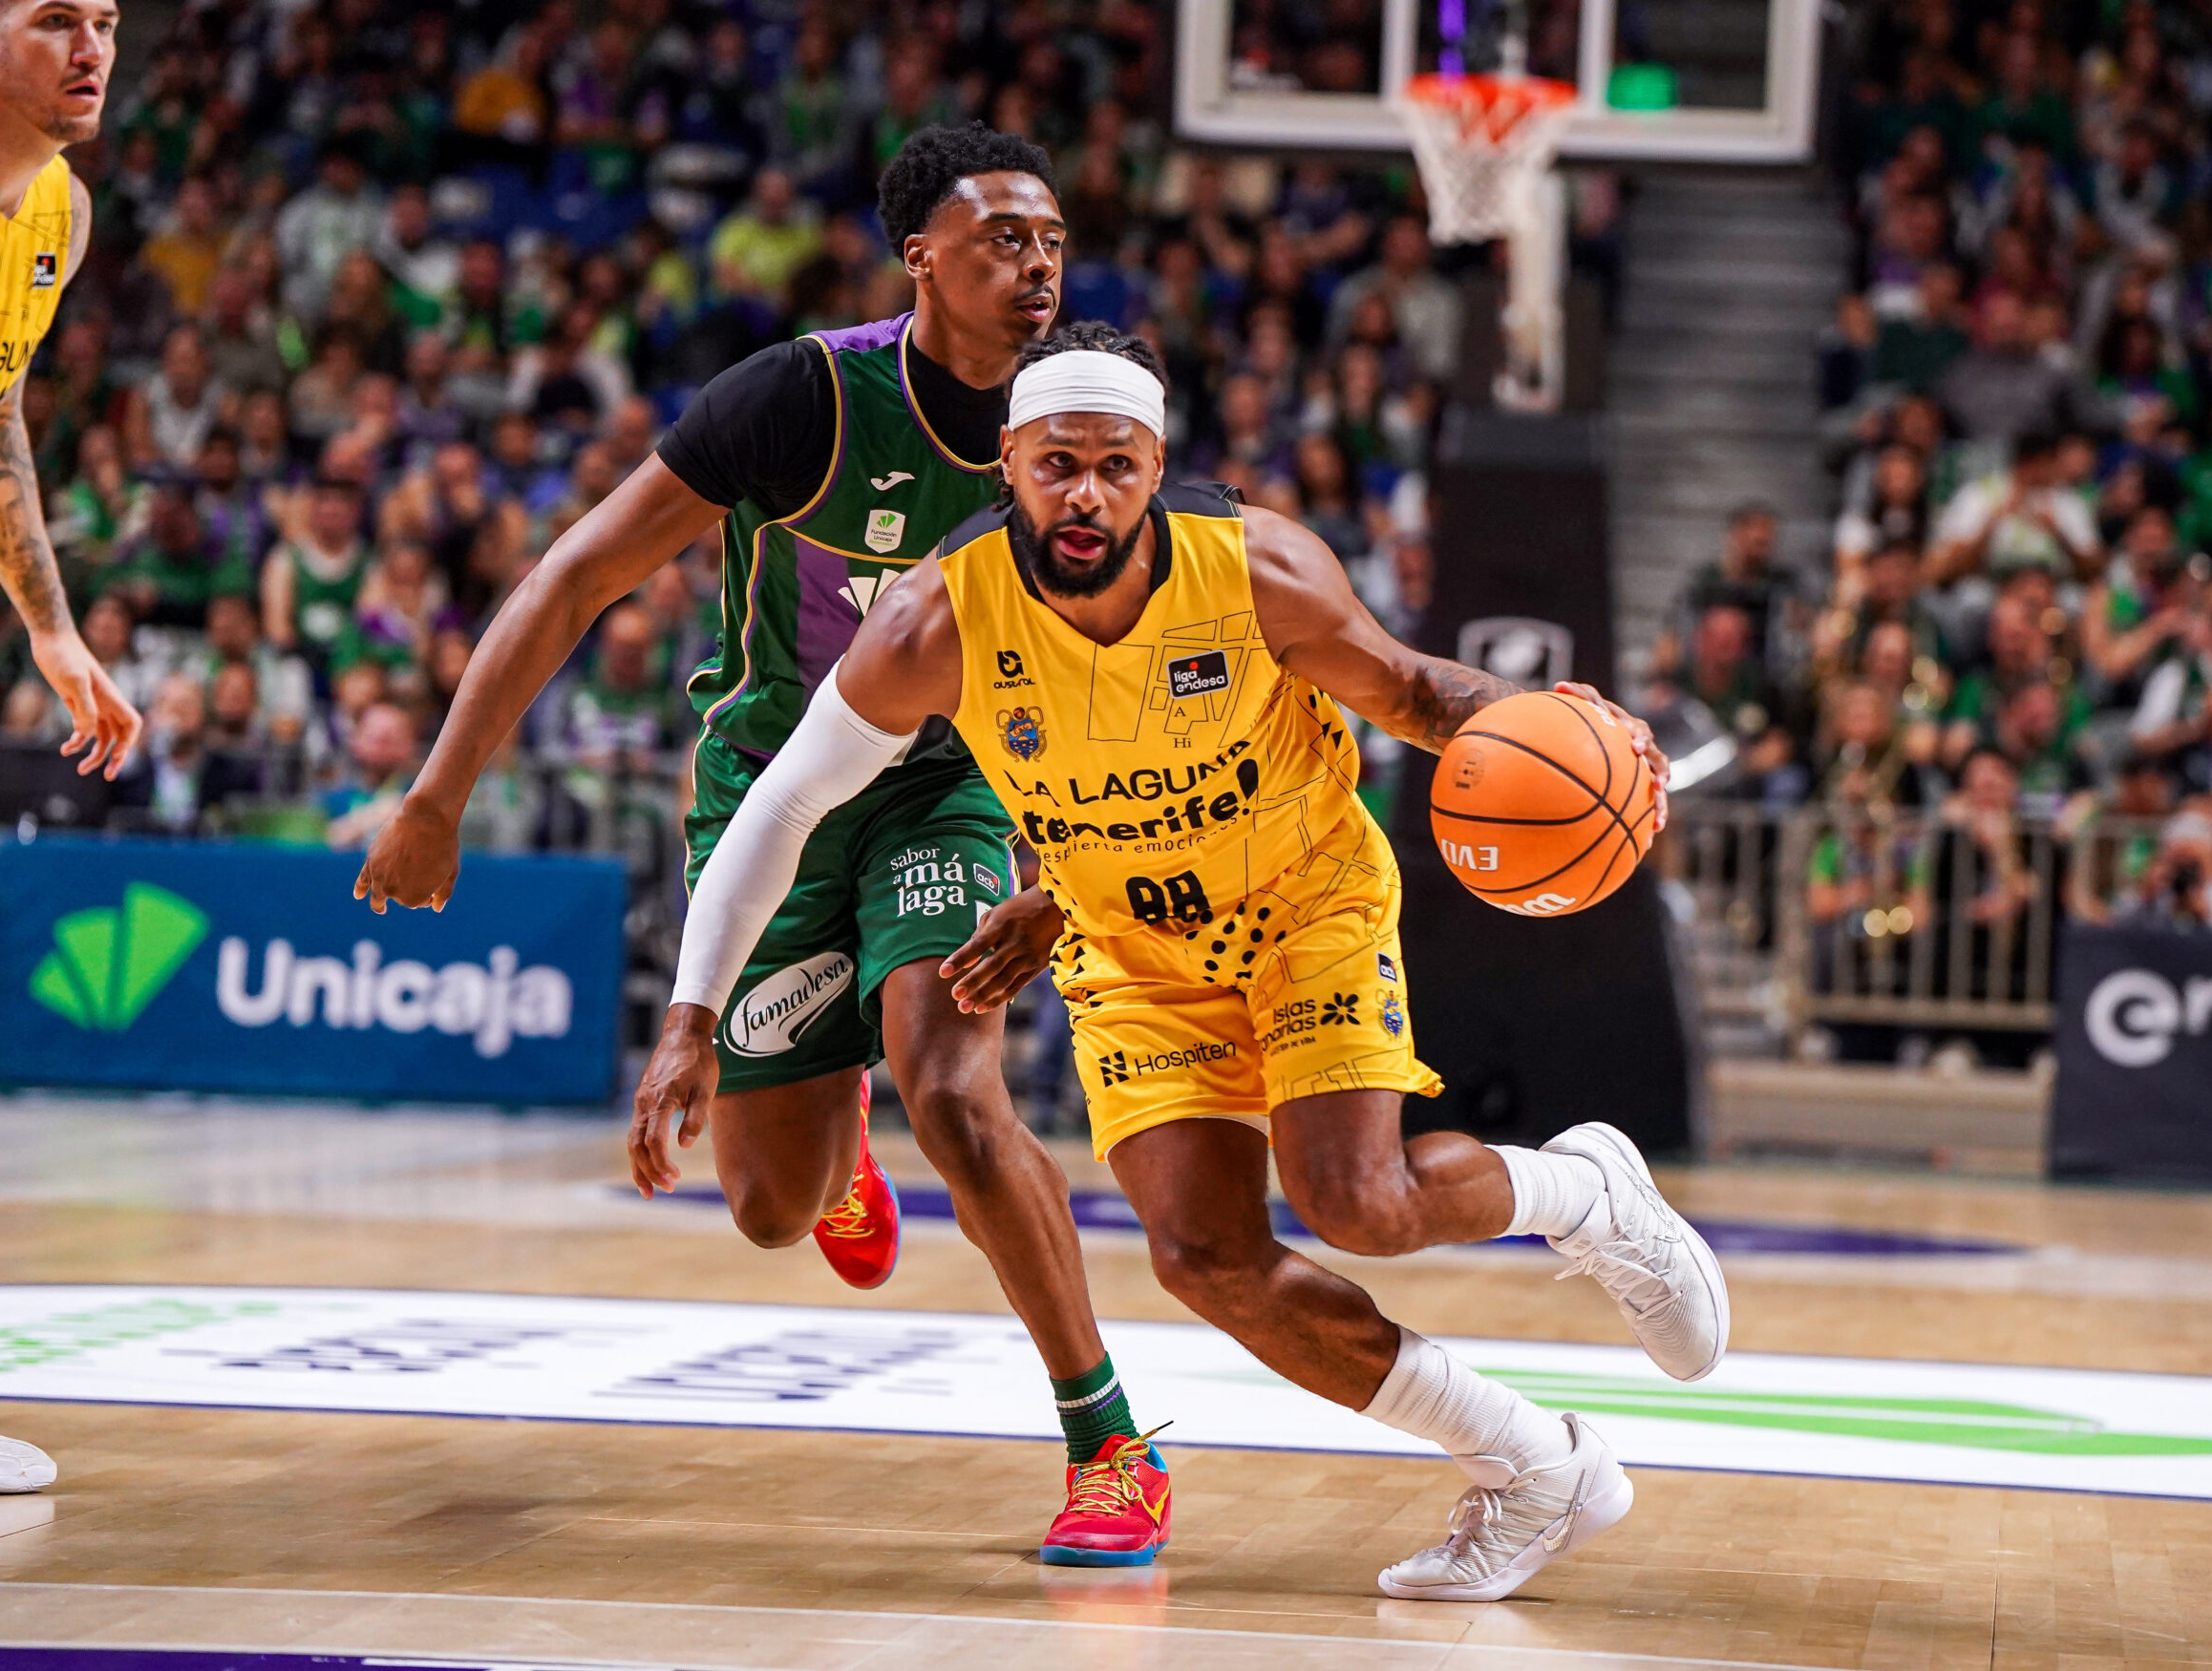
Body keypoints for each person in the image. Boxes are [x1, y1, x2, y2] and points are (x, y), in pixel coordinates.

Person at [642, 325, 1727, 1602]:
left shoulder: (1259, 568)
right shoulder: (935, 617)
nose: (1085, 493)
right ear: (1009, 460)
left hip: (1303, 901)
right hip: (1133, 950)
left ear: (1156, 468)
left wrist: (1569, 728)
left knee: (1358, 1203)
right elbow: (781, 805)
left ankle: (1586, 1193)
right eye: (1058, 463)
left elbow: (1417, 694)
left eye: (1116, 464)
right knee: (1203, 1258)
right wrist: (692, 1015)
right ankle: (1534, 1464)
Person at [351, 127, 1159, 1564]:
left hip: (953, 785)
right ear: (920, 260)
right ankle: (835, 1152)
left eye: (1051, 239)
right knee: (773, 1213)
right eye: (1001, 238)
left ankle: (1108, 1442)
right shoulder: (801, 400)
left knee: (954, 1088)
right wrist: (437, 791)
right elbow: (579, 574)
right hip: (773, 779)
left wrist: (1063, 868)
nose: (1037, 263)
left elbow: (1131, 662)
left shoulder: (1073, 430)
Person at [0, 0, 136, 1501]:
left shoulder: (59, 215)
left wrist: (52, 627)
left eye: (104, 20)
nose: (89, 47)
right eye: (51, 20)